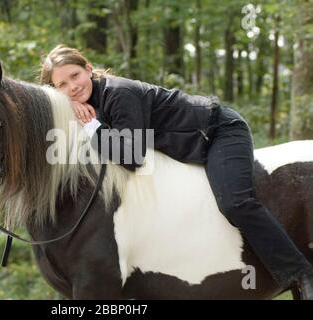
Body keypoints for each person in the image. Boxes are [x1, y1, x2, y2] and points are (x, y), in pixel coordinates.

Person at [39, 44, 313, 299]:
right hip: (190, 148)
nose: (72, 87)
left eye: (75, 76)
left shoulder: (118, 93)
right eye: (62, 84)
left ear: (88, 69)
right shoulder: (85, 109)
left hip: (219, 131)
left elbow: (132, 157)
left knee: (236, 202)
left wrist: (91, 127)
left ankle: (300, 274)